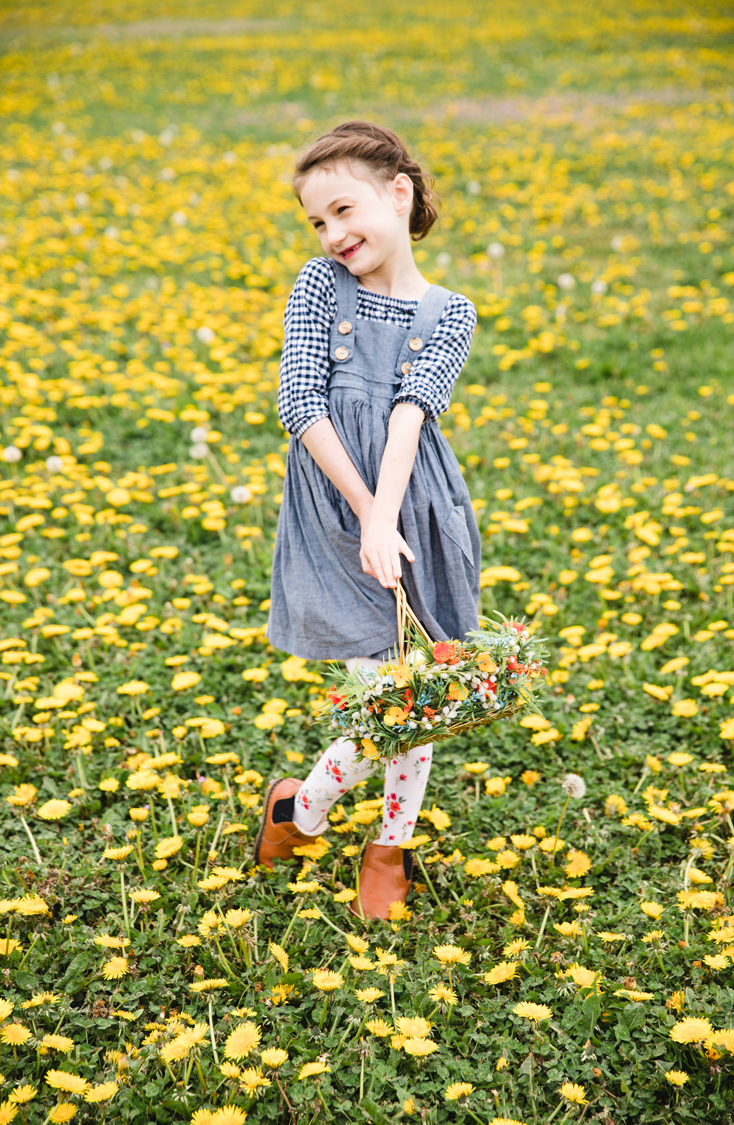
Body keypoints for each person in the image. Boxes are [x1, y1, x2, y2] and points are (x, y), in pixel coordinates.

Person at [256, 120, 481, 919]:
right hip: (332, 500)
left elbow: (412, 415)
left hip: (413, 499)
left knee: (416, 688)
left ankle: (380, 845)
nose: (333, 234)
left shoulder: (451, 312)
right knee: (387, 690)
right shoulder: (321, 285)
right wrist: (363, 517)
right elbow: (299, 402)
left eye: (344, 211)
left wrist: (389, 519)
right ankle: (304, 810)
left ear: (399, 191)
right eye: (317, 222)